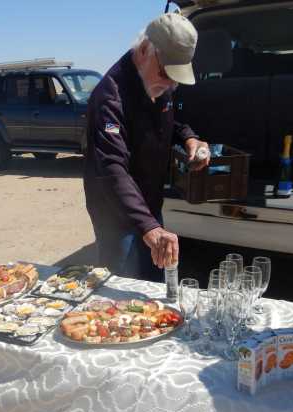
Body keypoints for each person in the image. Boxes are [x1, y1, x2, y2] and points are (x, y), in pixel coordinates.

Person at [84, 13, 210, 282]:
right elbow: (111, 167)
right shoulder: (110, 98)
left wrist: (189, 138)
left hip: (149, 205)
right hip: (116, 214)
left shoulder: (156, 82)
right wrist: (149, 226)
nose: (171, 84)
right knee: (120, 292)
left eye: (177, 77)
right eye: (167, 73)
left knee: (153, 284)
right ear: (144, 50)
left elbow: (170, 120)